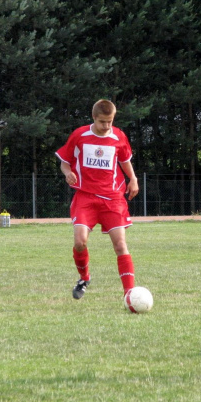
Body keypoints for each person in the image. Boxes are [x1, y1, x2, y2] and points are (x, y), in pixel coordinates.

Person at [55, 99, 139, 300]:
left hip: (113, 198)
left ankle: (130, 295)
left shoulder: (119, 136)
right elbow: (64, 163)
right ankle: (84, 278)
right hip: (86, 197)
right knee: (80, 241)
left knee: (120, 245)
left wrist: (133, 179)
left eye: (110, 121)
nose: (106, 126)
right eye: (102, 122)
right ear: (93, 118)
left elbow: (125, 161)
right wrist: (67, 173)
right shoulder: (80, 135)